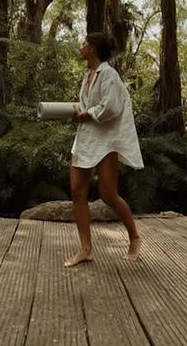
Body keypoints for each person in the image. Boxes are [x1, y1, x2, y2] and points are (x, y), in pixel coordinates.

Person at [64, 33, 144, 267]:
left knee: (108, 194)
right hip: (85, 138)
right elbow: (86, 106)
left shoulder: (109, 74)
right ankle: (86, 249)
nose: (80, 47)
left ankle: (134, 237)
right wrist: (76, 113)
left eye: (83, 43)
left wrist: (87, 114)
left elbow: (112, 107)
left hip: (105, 140)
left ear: (93, 48)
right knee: (77, 191)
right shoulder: (88, 75)